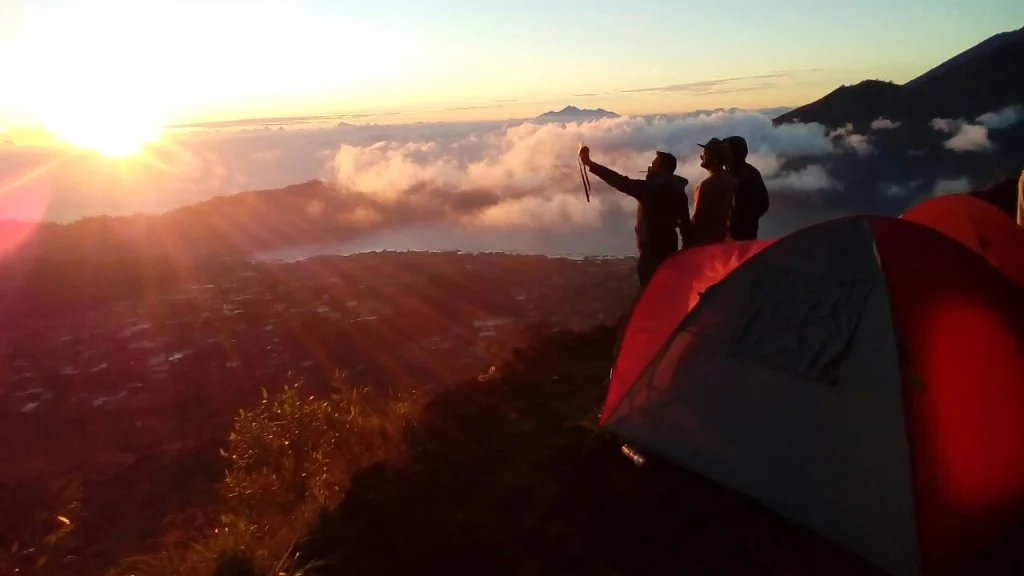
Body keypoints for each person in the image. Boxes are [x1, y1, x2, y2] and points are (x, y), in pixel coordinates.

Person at [578, 147, 692, 286]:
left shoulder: (649, 190)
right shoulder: (679, 194)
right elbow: (686, 228)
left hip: (651, 257)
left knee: (650, 293)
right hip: (670, 253)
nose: (650, 167)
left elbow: (619, 181)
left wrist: (590, 163)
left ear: (661, 169)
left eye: (653, 164)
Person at [690, 138, 738, 246]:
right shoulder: (733, 181)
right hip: (727, 243)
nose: (701, 156)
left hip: (707, 245)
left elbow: (697, 221)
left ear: (714, 158)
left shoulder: (706, 186)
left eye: (705, 153)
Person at [723, 135, 770, 240]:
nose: (724, 155)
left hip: (743, 235)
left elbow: (763, 203)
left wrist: (743, 220)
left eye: (727, 151)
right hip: (739, 233)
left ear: (735, 153)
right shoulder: (751, 172)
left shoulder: (748, 174)